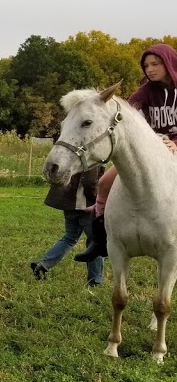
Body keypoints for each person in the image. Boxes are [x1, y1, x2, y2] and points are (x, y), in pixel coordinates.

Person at [76, 43, 177, 261]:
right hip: (150, 151)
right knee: (103, 183)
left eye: (155, 64)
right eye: (146, 65)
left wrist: (176, 143)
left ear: (169, 63)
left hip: (175, 148)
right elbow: (130, 112)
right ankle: (100, 239)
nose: (150, 69)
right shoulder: (146, 91)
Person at [31, 165, 104, 286]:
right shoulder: (92, 154)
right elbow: (90, 181)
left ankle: (43, 264)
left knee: (70, 237)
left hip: (68, 203)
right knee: (95, 242)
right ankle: (94, 281)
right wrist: (98, 200)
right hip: (85, 206)